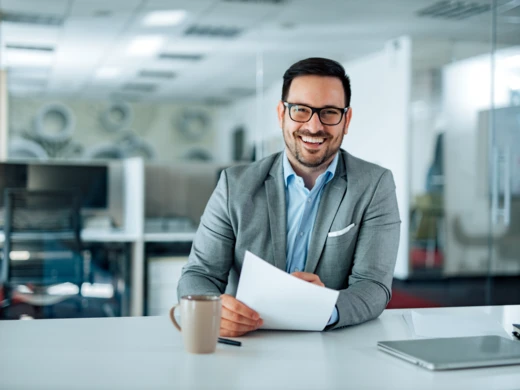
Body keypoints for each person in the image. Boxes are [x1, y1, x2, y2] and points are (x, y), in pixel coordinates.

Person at [177, 57, 401, 337]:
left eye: (329, 112)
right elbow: (199, 274)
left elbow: (374, 286)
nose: (314, 126)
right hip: (248, 342)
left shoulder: (374, 185)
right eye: (300, 110)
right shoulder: (235, 185)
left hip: (331, 345)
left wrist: (322, 309)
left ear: (347, 120)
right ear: (282, 114)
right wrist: (212, 308)